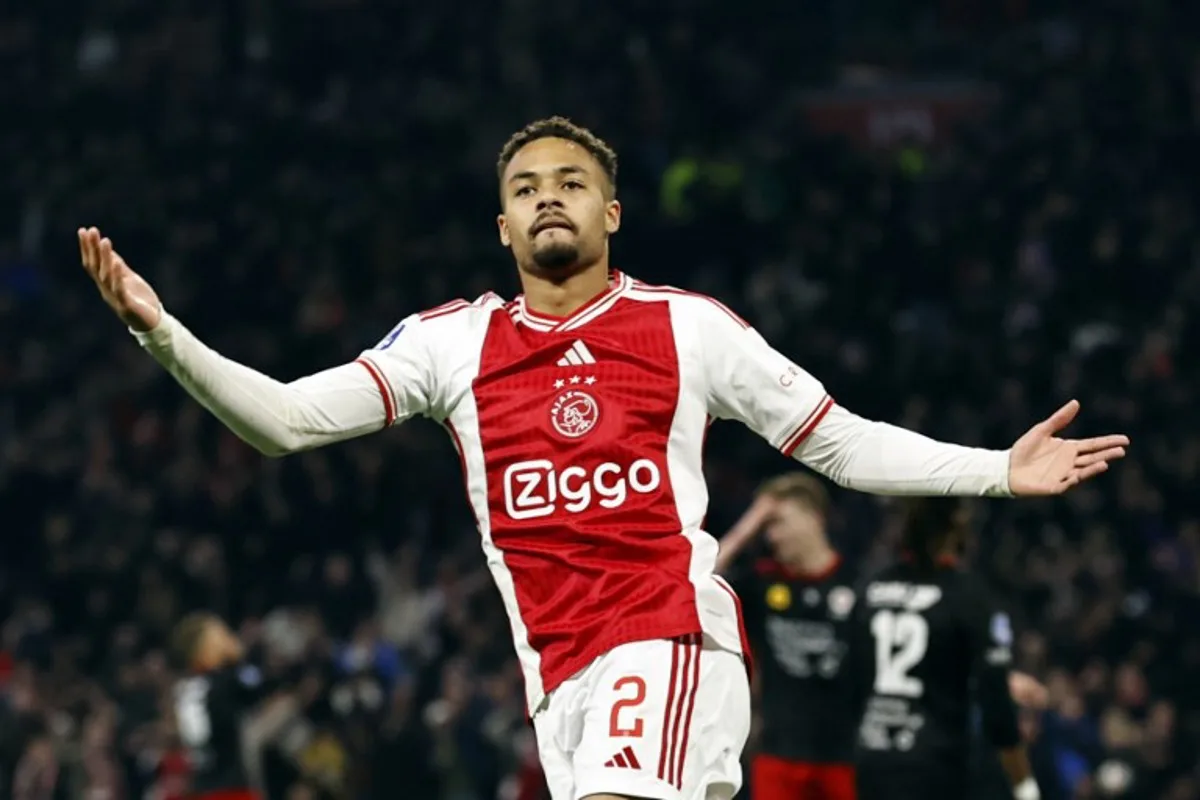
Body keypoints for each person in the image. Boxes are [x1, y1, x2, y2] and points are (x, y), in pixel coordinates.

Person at [77, 116, 1127, 800]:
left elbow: (840, 443)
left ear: (610, 213)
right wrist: (162, 333)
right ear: (501, 224)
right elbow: (286, 422)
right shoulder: (452, 343)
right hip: (559, 675)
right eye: (527, 185)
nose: (548, 197)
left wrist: (999, 468)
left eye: (571, 183)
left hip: (668, 640)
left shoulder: (688, 329)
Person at [718, 473, 1049, 800]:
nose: (771, 536)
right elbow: (694, 583)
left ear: (814, 517)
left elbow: (909, 651)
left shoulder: (861, 586)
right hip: (780, 753)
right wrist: (749, 523)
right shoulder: (760, 585)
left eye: (777, 522)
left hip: (846, 755)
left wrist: (996, 678)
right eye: (766, 526)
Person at [849, 498, 1040, 800]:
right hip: (935, 763)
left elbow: (851, 674)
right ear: (955, 529)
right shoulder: (966, 595)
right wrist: (1023, 782)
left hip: (871, 758)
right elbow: (995, 699)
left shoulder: (872, 588)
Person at [169, 612, 281, 800]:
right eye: (218, 635)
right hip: (231, 788)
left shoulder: (186, 687)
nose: (226, 638)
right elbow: (261, 685)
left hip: (203, 786)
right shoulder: (224, 681)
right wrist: (243, 655)